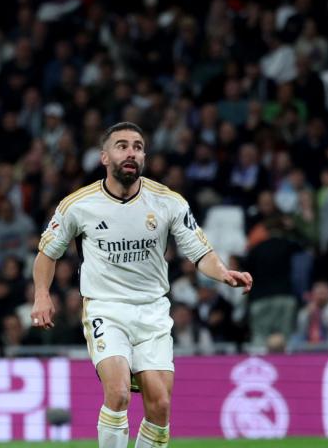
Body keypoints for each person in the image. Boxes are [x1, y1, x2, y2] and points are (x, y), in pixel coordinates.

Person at [31, 122, 253, 448]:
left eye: (137, 146)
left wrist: (223, 273)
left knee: (160, 405)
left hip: (153, 311)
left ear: (144, 156)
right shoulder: (77, 205)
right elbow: (47, 254)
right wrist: (41, 294)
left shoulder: (168, 202)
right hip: (106, 308)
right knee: (118, 392)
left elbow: (199, 251)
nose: (131, 152)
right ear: (105, 156)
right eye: (122, 146)